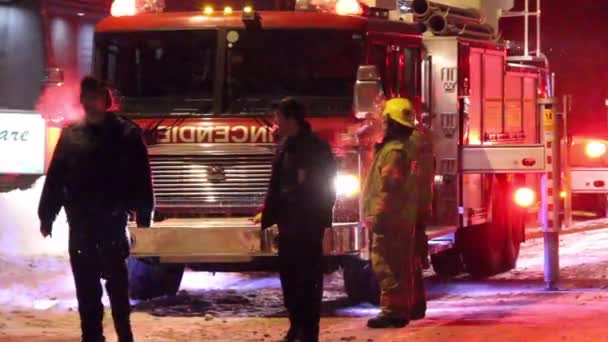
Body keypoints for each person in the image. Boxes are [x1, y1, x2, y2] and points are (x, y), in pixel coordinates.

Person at [38, 76, 154, 342]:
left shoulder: (126, 133)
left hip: (112, 222)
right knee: (87, 291)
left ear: (106, 100)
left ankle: (124, 335)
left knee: (118, 288)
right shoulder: (72, 135)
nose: (92, 103)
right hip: (81, 225)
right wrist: (47, 215)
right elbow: (57, 177)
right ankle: (91, 337)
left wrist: (144, 212)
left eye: (97, 97)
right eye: (87, 97)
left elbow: (141, 176)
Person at [259, 97, 337, 342]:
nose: (275, 124)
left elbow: (325, 189)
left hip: (307, 225)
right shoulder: (285, 146)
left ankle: (308, 332)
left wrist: (320, 219)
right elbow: (276, 186)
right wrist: (268, 216)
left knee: (308, 281)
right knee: (290, 279)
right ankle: (296, 327)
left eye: (278, 119)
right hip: (288, 225)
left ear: (291, 119)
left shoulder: (316, 149)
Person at [363, 98, 419, 328]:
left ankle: (392, 312)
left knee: (386, 265)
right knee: (397, 265)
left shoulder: (393, 152)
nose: (381, 123)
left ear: (391, 123)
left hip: (389, 220)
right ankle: (401, 310)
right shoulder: (399, 149)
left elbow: (389, 189)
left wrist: (378, 216)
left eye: (384, 119)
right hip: (398, 219)